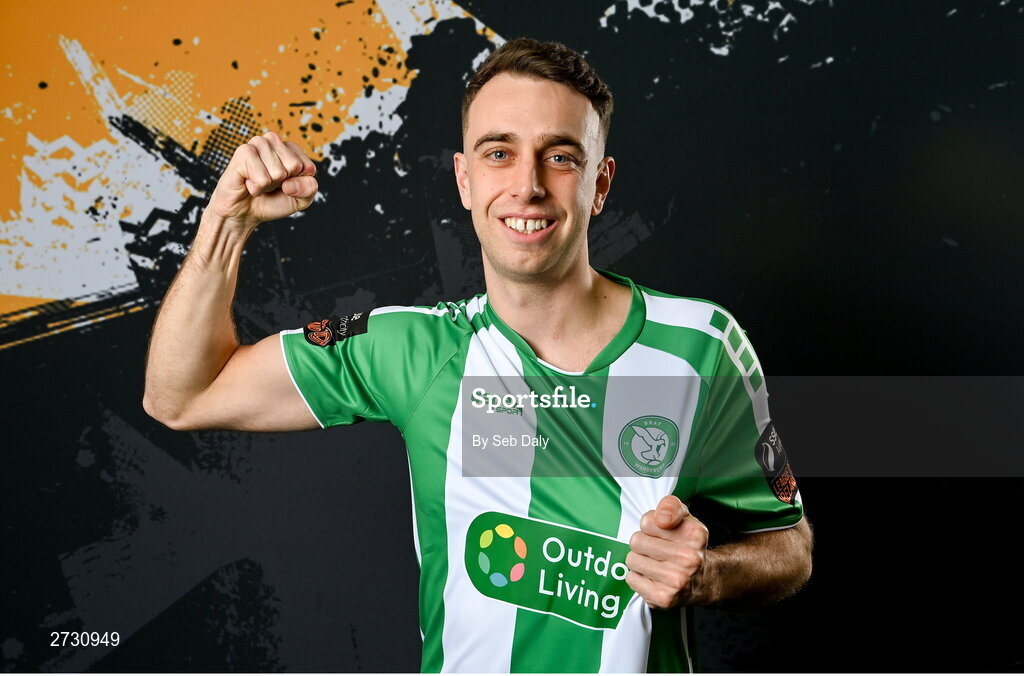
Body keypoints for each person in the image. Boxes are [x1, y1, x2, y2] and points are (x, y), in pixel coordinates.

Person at [144, 37, 812, 673]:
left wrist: (709, 576)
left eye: (560, 156)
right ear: (464, 179)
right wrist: (225, 223)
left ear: (600, 184)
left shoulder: (700, 345)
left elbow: (790, 547)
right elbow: (182, 396)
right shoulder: (413, 350)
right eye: (499, 152)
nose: (527, 186)